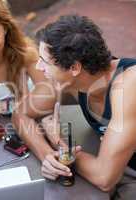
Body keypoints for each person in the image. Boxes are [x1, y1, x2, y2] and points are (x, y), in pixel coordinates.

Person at [12, 14, 136, 199]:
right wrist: (48, 155)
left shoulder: (129, 84)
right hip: (116, 164)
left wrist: (63, 151)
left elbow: (104, 177)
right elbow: (20, 113)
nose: (39, 67)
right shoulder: (71, 82)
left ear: (74, 68)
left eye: (44, 61)